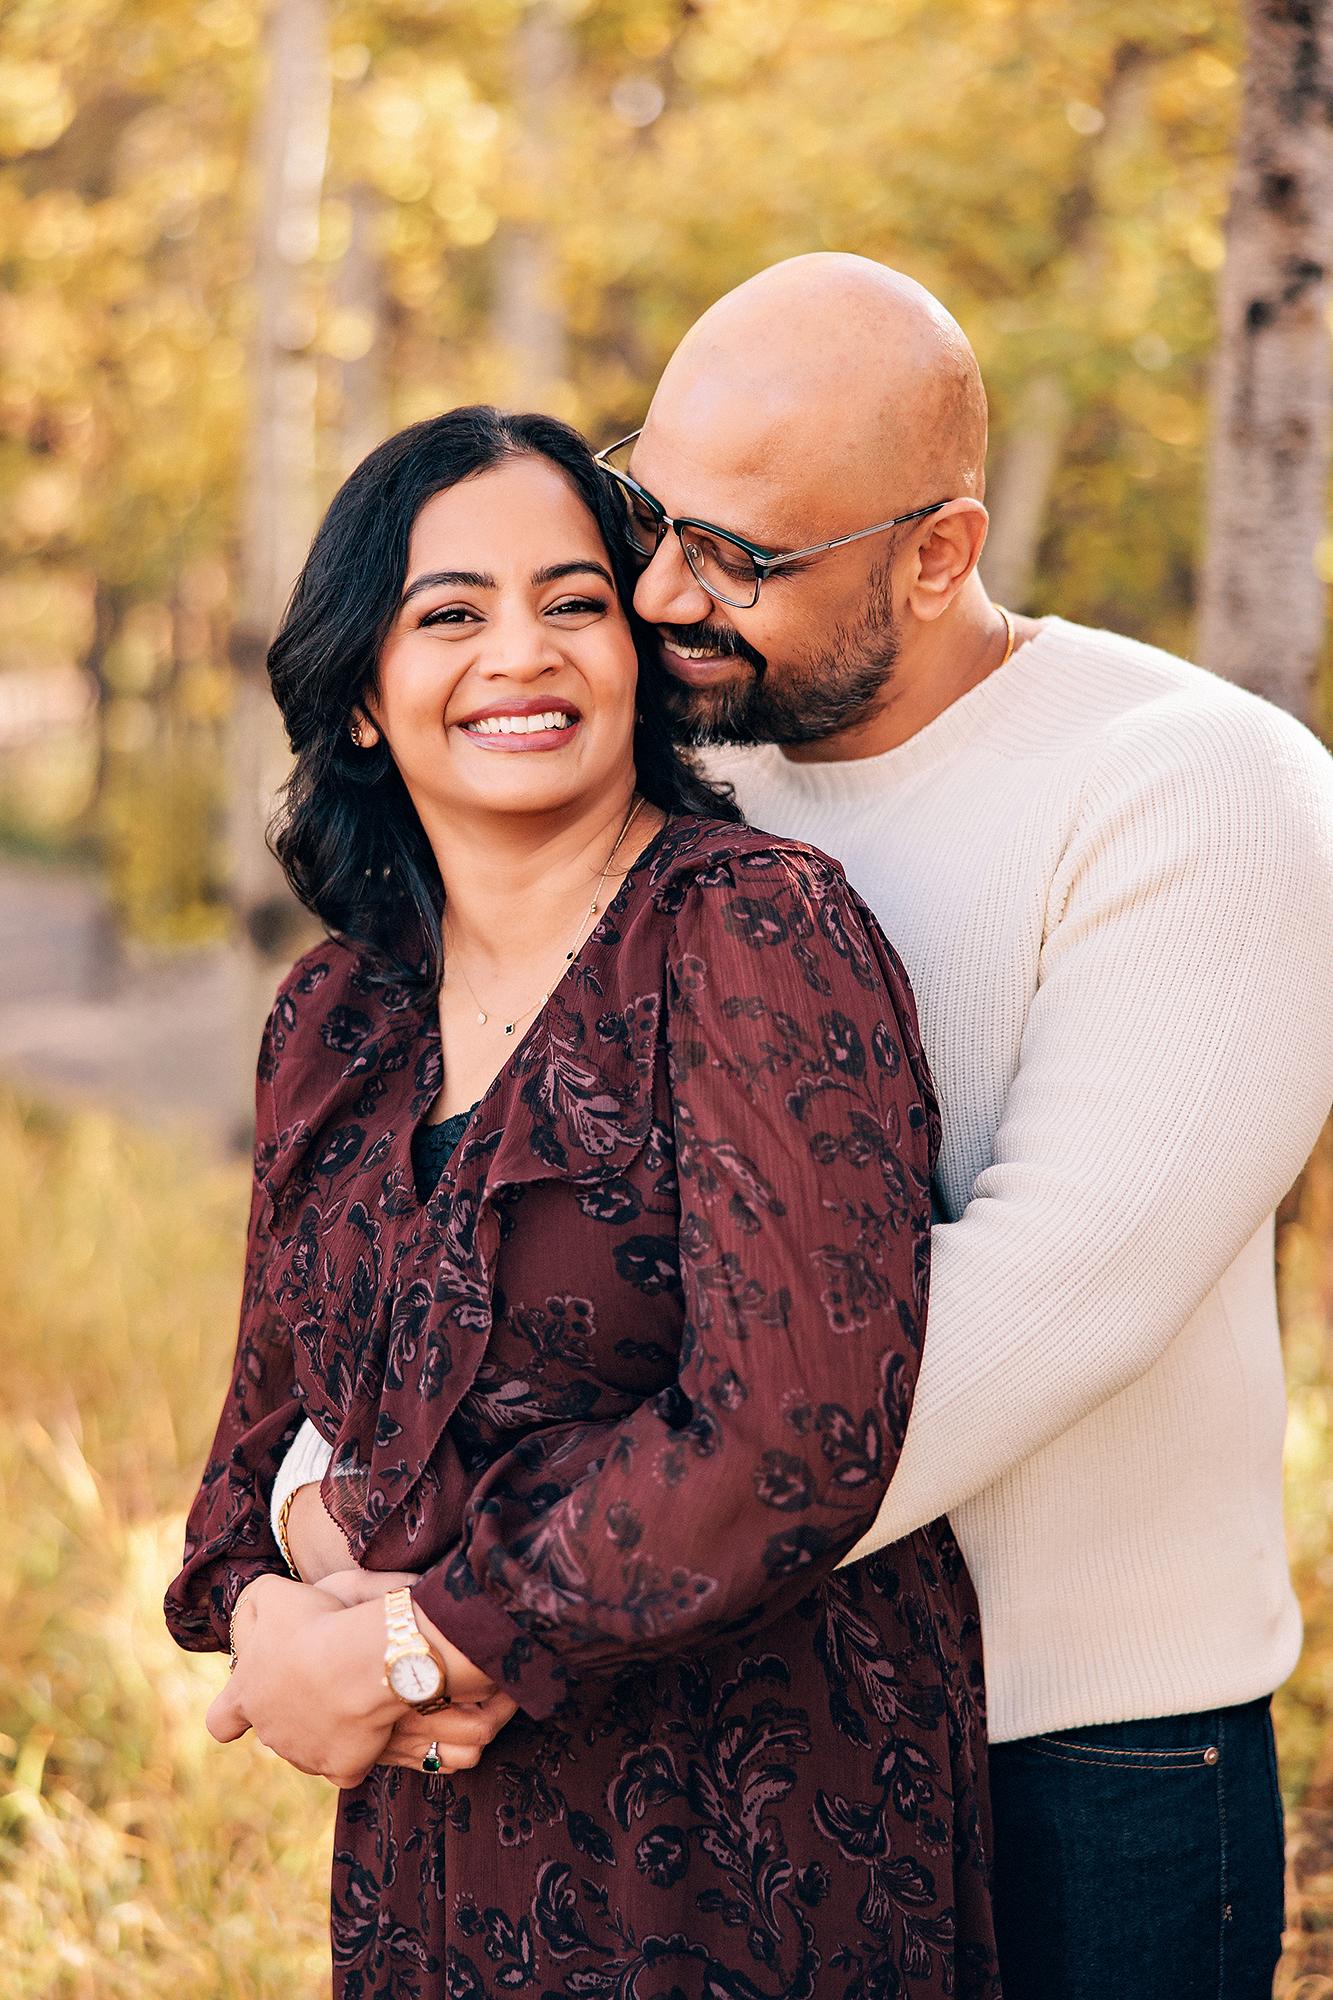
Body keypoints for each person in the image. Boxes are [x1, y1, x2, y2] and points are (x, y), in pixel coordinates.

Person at [164, 405, 1001, 2000]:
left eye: (572, 601)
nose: (522, 655)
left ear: (636, 648)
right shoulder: (334, 1018)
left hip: (744, 1835)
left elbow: (795, 1426)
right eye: (451, 613)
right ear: (358, 696)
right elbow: (247, 1464)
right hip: (438, 1854)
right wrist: (271, 1624)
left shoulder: (751, 930)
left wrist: (420, 1639)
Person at [575, 253, 1332, 1999]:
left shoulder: (1190, 786)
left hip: (1074, 1760)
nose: (663, 588)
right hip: (704, 1719)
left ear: (936, 548)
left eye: (743, 558)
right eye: (649, 510)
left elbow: (1047, 1302)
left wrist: (515, 1608)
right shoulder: (670, 776)